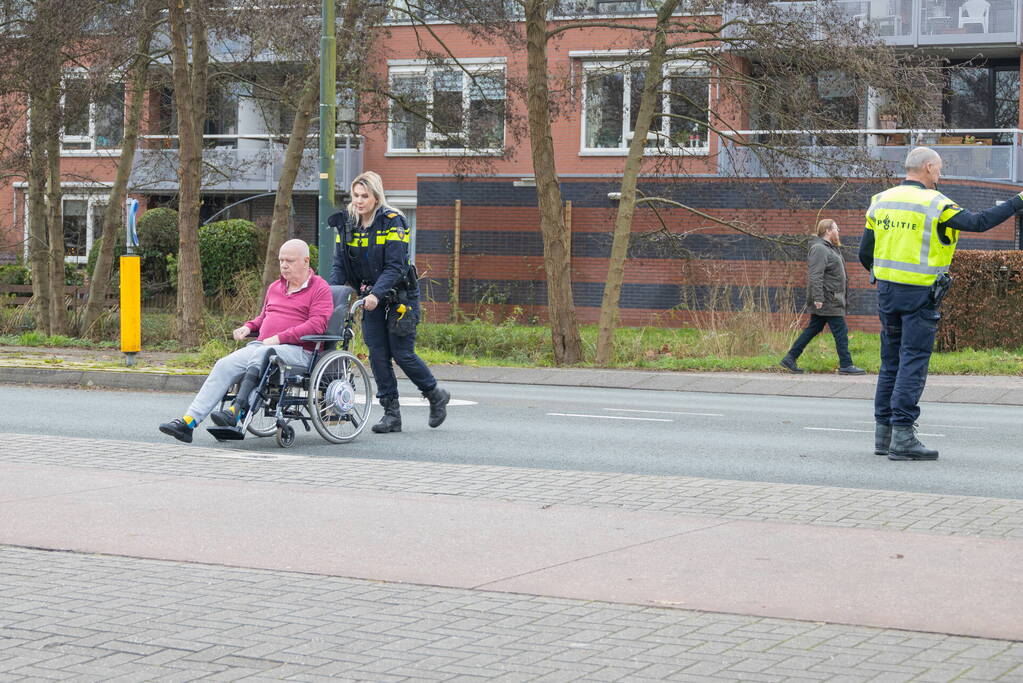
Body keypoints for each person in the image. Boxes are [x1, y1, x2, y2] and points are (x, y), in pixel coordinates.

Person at [859, 146, 1023, 461]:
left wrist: (886, 275)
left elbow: (866, 253)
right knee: (913, 361)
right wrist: (1018, 201)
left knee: (890, 362)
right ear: (930, 168)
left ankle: (884, 435)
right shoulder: (936, 204)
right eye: (939, 169)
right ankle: (904, 437)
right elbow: (978, 222)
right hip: (920, 295)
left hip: (887, 293)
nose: (940, 174)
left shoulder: (881, 201)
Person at [158, 239, 334, 443]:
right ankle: (188, 422)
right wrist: (249, 327)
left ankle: (238, 410)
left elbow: (317, 325)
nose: (284, 265)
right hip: (264, 346)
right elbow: (264, 317)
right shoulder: (275, 287)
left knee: (263, 354)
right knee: (224, 364)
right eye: (281, 260)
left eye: (290, 261)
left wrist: (279, 338)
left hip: (299, 352)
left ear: (305, 261)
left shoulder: (320, 288)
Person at [328, 170, 450, 433]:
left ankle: (435, 394)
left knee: (401, 352)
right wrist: (332, 295)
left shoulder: (393, 221)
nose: (359, 201)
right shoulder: (346, 223)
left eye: (365, 196)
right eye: (355, 196)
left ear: (375, 197)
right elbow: (339, 264)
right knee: (378, 355)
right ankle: (391, 414)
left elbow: (395, 267)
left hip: (400, 297)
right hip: (369, 296)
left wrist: (376, 294)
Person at [780, 219, 865, 376]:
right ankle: (846, 364)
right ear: (827, 231)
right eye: (836, 229)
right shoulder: (819, 249)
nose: (838, 232)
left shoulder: (830, 248)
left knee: (814, 328)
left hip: (831, 298)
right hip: (828, 300)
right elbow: (815, 275)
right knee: (841, 331)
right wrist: (818, 298)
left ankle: (790, 358)